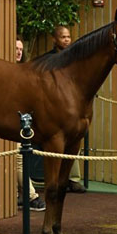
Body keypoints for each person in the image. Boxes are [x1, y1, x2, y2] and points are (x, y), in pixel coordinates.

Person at [48, 26, 86, 193]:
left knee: (75, 140)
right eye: (63, 37)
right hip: (53, 108)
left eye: (68, 37)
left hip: (71, 107)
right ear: (55, 39)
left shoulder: (74, 57)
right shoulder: (49, 60)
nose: (66, 40)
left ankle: (73, 178)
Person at [16, 37, 46, 211]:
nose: (19, 51)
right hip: (12, 121)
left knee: (21, 157)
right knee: (19, 158)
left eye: (20, 48)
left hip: (23, 122)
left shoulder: (26, 70)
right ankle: (31, 195)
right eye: (15, 48)